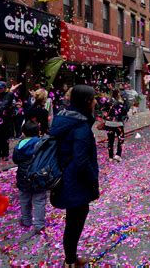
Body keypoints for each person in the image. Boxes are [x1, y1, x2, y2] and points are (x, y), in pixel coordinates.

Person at [49, 85, 99, 267]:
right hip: (74, 181)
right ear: (86, 102)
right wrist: (93, 178)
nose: (95, 101)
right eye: (93, 98)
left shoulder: (65, 117)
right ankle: (70, 260)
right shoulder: (81, 127)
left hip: (66, 176)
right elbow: (81, 161)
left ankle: (70, 258)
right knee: (75, 220)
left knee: (73, 219)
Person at [12, 120, 46, 234]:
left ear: (23, 132)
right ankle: (39, 225)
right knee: (39, 200)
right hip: (38, 176)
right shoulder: (41, 143)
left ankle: (26, 220)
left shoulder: (19, 145)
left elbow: (15, 159)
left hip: (23, 176)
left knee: (24, 199)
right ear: (38, 132)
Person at [104, 89, 129, 162]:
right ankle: (118, 155)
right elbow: (124, 112)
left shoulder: (108, 102)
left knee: (110, 140)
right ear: (118, 94)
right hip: (118, 124)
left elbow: (105, 112)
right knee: (120, 139)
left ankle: (110, 157)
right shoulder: (120, 102)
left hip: (109, 124)